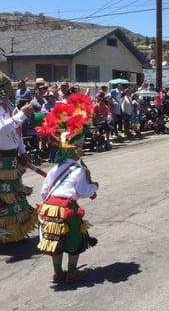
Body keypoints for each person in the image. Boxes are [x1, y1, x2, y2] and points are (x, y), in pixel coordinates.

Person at [36, 93, 99, 283]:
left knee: (55, 241)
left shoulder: (55, 168)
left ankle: (57, 272)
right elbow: (84, 192)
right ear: (77, 148)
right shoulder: (78, 169)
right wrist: (95, 186)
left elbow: (44, 193)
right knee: (75, 241)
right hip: (66, 208)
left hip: (49, 208)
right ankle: (71, 273)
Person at [0, 73, 37, 244]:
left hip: (12, 159)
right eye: (7, 86)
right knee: (3, 196)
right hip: (1, 160)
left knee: (15, 194)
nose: (11, 89)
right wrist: (21, 114)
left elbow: (17, 131)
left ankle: (16, 232)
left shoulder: (8, 105)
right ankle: (4, 233)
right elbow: (1, 130)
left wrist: (22, 152)